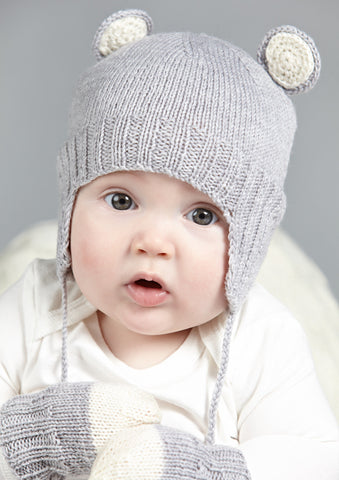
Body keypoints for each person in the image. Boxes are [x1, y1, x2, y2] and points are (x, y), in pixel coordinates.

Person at [0, 9, 338, 480]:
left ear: (249, 239)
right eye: (121, 200)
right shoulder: (32, 307)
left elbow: (315, 460)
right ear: (71, 202)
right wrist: (35, 436)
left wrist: (204, 469)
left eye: (202, 215)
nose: (153, 242)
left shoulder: (261, 339)